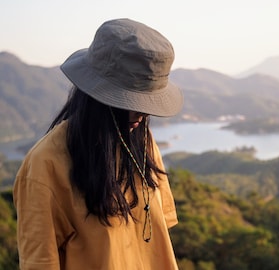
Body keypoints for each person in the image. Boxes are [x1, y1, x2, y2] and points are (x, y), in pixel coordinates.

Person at [13, 18, 183, 269]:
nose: (144, 114)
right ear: (98, 96)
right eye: (134, 102)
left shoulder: (140, 140)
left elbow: (158, 233)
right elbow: (40, 262)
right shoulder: (45, 165)